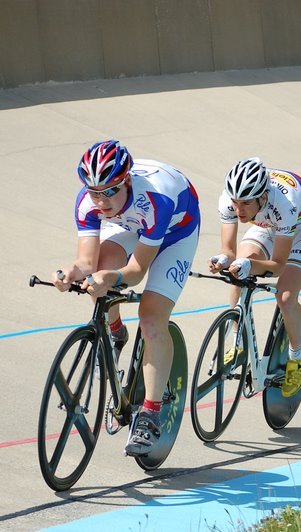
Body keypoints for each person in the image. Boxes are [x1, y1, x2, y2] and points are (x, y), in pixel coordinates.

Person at [53, 140, 200, 457]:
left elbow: (135, 270)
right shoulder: (87, 201)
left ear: (127, 181)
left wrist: (111, 278)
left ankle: (150, 414)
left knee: (151, 316)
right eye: (95, 192)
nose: (101, 200)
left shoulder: (155, 199)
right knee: (101, 271)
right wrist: (69, 272)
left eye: (110, 191)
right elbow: (86, 263)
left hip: (176, 230)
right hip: (131, 225)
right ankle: (116, 330)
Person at [208, 157, 301, 398]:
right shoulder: (229, 200)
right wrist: (224, 260)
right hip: (267, 224)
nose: (238, 210)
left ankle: (297, 356)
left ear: (262, 196)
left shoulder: (286, 202)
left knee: (285, 296)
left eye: (245, 204)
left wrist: (251, 264)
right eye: (235, 203)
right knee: (236, 273)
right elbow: (229, 251)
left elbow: (278, 266)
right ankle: (238, 341)